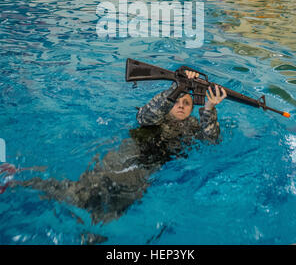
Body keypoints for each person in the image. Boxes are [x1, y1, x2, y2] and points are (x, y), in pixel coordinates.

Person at [2, 70, 226, 227]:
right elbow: (145, 115)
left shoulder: (193, 126)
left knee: (108, 216)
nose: (181, 105)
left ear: (192, 109)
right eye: (178, 101)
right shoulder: (156, 115)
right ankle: (16, 180)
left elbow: (212, 142)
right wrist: (177, 89)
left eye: (187, 103)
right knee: (78, 193)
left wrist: (209, 109)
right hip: (122, 159)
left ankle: (87, 233)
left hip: (143, 173)